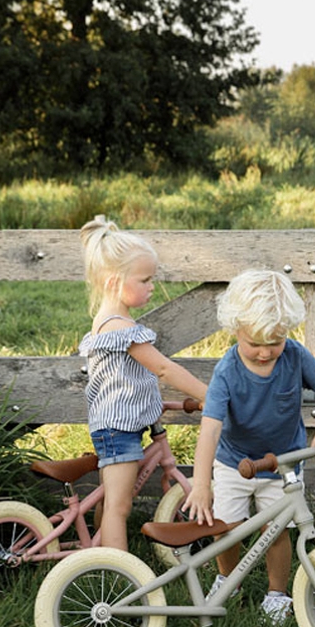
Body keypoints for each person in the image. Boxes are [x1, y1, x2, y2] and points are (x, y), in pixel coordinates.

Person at [181, 269, 315, 624]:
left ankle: (276, 595)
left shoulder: (295, 356)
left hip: (282, 464)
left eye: (276, 341)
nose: (266, 352)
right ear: (235, 329)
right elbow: (209, 430)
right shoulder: (227, 371)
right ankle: (228, 579)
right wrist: (202, 483)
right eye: (255, 343)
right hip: (233, 460)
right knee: (225, 526)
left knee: (278, 532)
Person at [78, 215, 206, 551]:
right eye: (145, 279)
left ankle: (98, 554)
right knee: (120, 508)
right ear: (113, 281)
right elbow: (163, 369)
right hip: (117, 432)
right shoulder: (120, 329)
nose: (152, 286)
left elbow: (127, 382)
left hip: (120, 427)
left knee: (112, 501)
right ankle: (119, 575)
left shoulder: (110, 321)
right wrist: (210, 395)